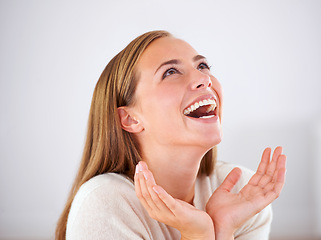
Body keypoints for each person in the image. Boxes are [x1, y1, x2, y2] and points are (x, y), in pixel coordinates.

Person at [55, 30, 286, 240]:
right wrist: (198, 235)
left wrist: (224, 227)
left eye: (203, 66)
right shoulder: (105, 204)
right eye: (171, 72)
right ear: (130, 118)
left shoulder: (243, 193)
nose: (203, 79)